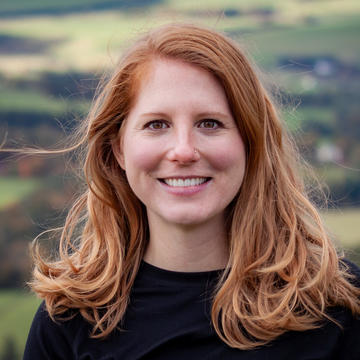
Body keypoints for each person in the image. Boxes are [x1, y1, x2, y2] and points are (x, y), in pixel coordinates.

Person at [23, 23, 360, 359]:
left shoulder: (336, 306)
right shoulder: (69, 320)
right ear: (119, 149)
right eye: (157, 124)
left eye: (209, 123)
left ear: (250, 142)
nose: (183, 151)